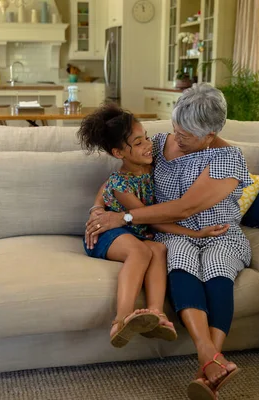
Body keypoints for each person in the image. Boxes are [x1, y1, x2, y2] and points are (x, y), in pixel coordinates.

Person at [85, 84, 252, 400]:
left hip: (219, 232)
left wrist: (126, 218)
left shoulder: (228, 158)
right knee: (179, 260)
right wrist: (98, 208)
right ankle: (210, 360)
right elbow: (116, 180)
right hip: (172, 232)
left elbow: (186, 207)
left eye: (186, 134)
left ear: (210, 135)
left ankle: (208, 363)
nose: (176, 137)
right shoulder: (158, 144)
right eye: (175, 128)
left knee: (217, 267)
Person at [78, 104, 227, 349]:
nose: (148, 145)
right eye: (138, 143)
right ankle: (121, 319)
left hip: (134, 231)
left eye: (146, 138)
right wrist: (195, 233)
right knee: (141, 251)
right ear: (118, 153)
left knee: (159, 250)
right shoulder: (121, 184)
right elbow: (151, 218)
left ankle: (156, 314)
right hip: (109, 232)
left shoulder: (150, 161)